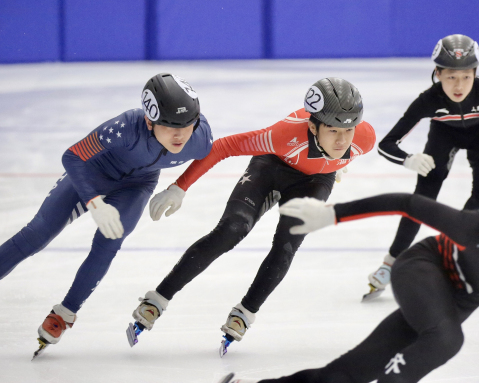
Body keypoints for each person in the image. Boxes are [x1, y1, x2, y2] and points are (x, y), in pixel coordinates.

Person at [220, 173, 479, 383]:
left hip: (450, 302)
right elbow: (407, 203)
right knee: (446, 338)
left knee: (347, 374)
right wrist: (331, 214)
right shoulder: (478, 229)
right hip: (423, 269)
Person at [128, 77, 376, 356]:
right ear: (312, 125)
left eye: (349, 129)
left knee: (287, 243)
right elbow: (222, 147)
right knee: (230, 230)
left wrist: (335, 162)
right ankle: (158, 299)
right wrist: (179, 187)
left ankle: (246, 311)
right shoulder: (283, 135)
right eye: (332, 130)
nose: (343, 139)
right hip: (270, 166)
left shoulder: (364, 139)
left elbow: (346, 145)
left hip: (315, 181)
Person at [0, 73, 213, 358]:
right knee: (37, 234)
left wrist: (179, 187)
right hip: (92, 175)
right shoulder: (126, 128)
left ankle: (65, 314)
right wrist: (94, 201)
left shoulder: (198, 137)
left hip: (137, 186)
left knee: (109, 242)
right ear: (149, 122)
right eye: (170, 126)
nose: (180, 136)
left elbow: (214, 151)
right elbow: (73, 156)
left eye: (187, 125)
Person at [368, 34, 479, 299]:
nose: (458, 85)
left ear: (475, 72)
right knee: (423, 197)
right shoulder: (429, 100)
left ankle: (449, 251)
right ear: (437, 74)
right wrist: (408, 159)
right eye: (451, 77)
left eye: (466, 76)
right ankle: (389, 264)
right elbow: (386, 144)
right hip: (445, 134)